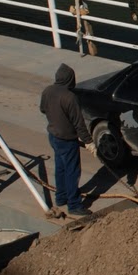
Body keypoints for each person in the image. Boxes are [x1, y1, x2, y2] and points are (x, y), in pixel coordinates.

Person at [39, 64, 91, 217]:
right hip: (67, 139)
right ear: (70, 79)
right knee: (72, 171)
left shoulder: (47, 91)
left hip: (53, 136)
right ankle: (74, 205)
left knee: (60, 168)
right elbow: (78, 123)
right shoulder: (70, 97)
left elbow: (42, 109)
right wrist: (89, 141)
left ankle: (61, 197)